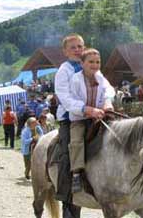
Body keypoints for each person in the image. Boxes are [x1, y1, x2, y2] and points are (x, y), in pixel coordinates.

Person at [68, 48, 114, 193]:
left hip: (100, 115)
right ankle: (76, 173)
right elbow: (71, 102)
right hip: (80, 118)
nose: (95, 65)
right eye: (91, 62)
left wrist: (107, 101)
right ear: (82, 63)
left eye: (98, 62)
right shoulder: (75, 79)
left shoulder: (100, 77)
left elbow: (109, 89)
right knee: (76, 141)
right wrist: (88, 110)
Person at [54, 33, 86, 217]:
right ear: (65, 52)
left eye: (80, 46)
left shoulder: (89, 65)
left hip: (92, 114)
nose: (77, 50)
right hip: (70, 117)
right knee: (67, 153)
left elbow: (103, 86)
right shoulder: (63, 71)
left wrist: (106, 102)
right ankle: (67, 201)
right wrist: (85, 109)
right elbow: (64, 98)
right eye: (72, 47)